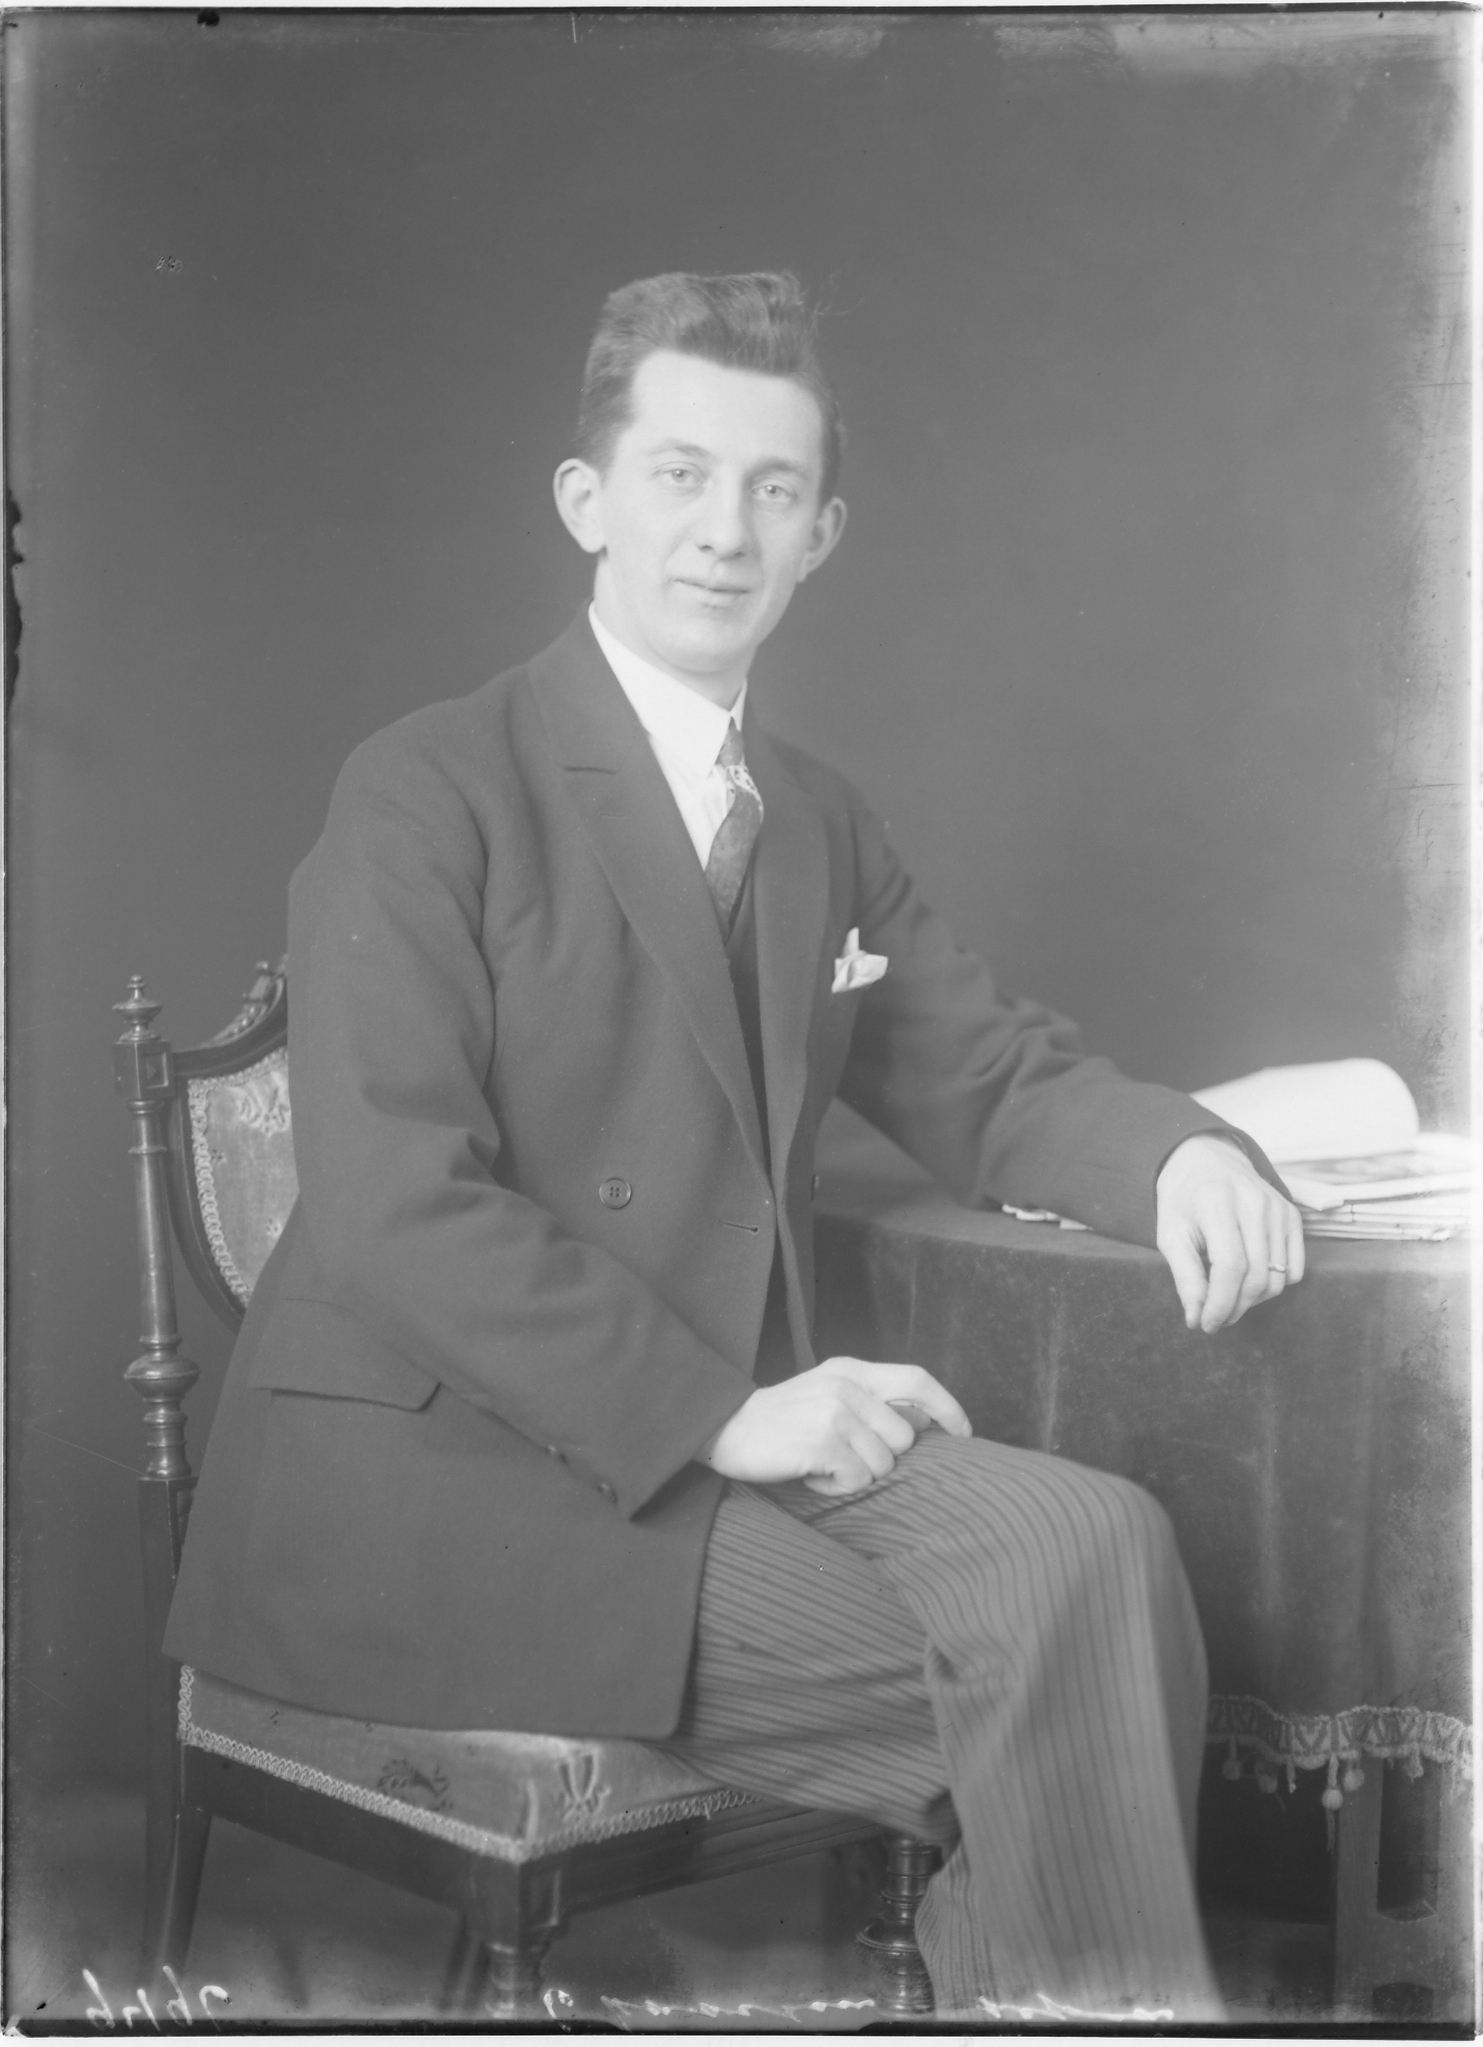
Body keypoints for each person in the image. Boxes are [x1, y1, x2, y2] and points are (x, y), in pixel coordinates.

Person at [165, 270, 1303, 2020]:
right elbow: (395, 1206)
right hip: (441, 1481)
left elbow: (986, 1072)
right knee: (1042, 1667)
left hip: (709, 1443)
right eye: (681, 476)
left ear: (822, 534)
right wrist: (723, 1410)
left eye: (775, 489)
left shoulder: (818, 820)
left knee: (1100, 1551)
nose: (725, 530)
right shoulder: (427, 785)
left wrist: (1176, 1159)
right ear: (587, 502)